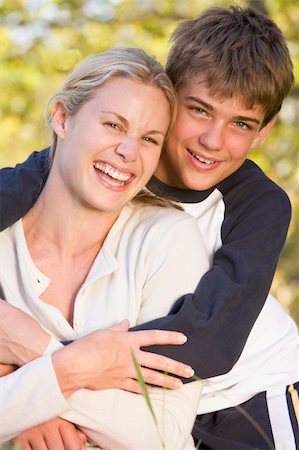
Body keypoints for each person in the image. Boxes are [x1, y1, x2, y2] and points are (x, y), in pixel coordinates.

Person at [1, 6, 299, 450]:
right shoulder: (106, 164)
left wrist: (39, 366)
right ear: (170, 99)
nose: (213, 140)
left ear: (262, 132)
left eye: (240, 124)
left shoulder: (258, 204)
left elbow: (208, 344)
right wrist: (36, 390)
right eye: (199, 110)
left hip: (245, 393)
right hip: (133, 399)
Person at [0, 47, 211, 449]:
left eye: (149, 139)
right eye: (114, 125)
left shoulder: (167, 239)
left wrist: (33, 353)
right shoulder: (2, 240)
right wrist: (30, 412)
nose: (129, 153)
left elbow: (161, 435)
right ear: (63, 117)